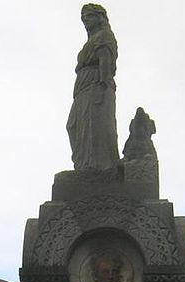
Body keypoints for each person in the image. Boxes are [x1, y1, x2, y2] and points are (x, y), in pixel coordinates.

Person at [67, 4, 119, 171]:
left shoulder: (104, 36)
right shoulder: (90, 41)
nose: (85, 20)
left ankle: (97, 165)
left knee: (94, 124)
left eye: (89, 16)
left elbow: (105, 60)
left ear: (100, 17)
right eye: (83, 17)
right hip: (83, 87)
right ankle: (83, 164)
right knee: (73, 126)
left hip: (96, 83)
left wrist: (103, 85)